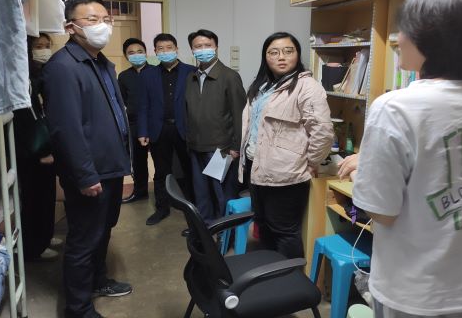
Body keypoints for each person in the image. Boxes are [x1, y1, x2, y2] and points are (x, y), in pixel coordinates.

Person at [349, 0, 462, 317]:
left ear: (435, 39)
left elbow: (382, 211)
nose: (398, 39)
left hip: (420, 291)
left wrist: (362, 169)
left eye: (405, 30)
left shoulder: (395, 107)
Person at [43, 0, 133, 318]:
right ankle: (78, 309)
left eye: (106, 19)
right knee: (83, 240)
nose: (103, 26)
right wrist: (85, 174)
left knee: (102, 231)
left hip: (109, 167)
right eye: (92, 20)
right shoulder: (63, 68)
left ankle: (98, 280)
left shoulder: (100, 62)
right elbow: (65, 129)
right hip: (90, 172)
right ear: (71, 27)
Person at [239, 32, 333, 258]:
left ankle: (289, 276)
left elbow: (322, 131)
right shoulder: (262, 85)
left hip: (286, 173)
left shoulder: (306, 86)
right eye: (273, 52)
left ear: (297, 54)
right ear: (265, 57)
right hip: (255, 166)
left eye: (288, 51)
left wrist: (310, 162)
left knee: (284, 231)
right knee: (263, 224)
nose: (281, 57)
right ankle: (270, 271)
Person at [185, 29, 246, 224]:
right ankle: (205, 228)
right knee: (201, 192)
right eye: (198, 46)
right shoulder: (192, 77)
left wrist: (236, 147)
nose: (203, 49)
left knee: (221, 194)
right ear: (192, 50)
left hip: (221, 149)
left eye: (207, 45)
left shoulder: (229, 76)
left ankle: (225, 231)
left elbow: (240, 114)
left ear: (216, 47)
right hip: (196, 146)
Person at [137, 33, 196, 225]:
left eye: (169, 48)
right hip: (159, 129)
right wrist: (143, 131)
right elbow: (143, 105)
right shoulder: (147, 74)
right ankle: (162, 208)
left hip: (184, 129)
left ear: (177, 49)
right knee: (161, 171)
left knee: (190, 170)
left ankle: (192, 208)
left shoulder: (191, 72)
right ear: (155, 52)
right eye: (160, 49)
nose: (165, 52)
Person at [14, 33, 58, 261]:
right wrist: (41, 151)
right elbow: (27, 118)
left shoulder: (43, 73)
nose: (43, 50)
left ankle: (45, 237)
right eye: (38, 46)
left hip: (45, 146)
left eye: (47, 45)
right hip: (33, 151)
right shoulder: (23, 77)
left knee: (47, 196)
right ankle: (34, 247)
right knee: (34, 199)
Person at [118, 38, 150, 203]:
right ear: (126, 56)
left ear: (146, 53)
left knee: (162, 160)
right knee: (138, 161)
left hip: (154, 122)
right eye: (131, 53)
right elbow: (122, 101)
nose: (136, 55)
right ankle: (140, 191)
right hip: (134, 124)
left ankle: (167, 194)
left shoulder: (155, 72)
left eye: (139, 52)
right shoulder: (124, 76)